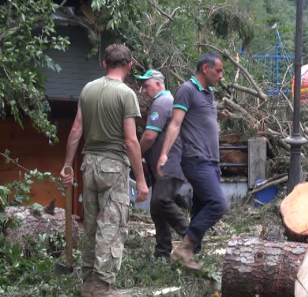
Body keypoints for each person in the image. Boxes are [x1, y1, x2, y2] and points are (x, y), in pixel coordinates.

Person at [60, 43, 148, 297]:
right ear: (129, 66)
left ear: (104, 64)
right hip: (113, 167)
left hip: (89, 166)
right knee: (112, 226)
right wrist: (140, 180)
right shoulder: (126, 94)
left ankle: (88, 283)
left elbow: (76, 130)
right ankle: (101, 287)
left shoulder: (88, 89)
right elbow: (131, 141)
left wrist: (68, 166)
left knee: (91, 225)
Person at [156, 52, 229, 271]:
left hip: (211, 161)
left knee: (200, 207)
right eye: (218, 70)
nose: (221, 75)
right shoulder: (187, 90)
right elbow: (175, 124)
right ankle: (185, 248)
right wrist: (163, 154)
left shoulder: (209, 93)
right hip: (196, 159)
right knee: (218, 204)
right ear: (205, 68)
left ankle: (189, 260)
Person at [136, 69, 188, 259]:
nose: (143, 90)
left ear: (158, 84)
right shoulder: (166, 102)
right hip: (163, 166)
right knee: (157, 210)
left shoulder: (161, 102)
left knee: (161, 201)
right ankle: (162, 253)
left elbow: (150, 136)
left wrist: (135, 155)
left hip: (170, 164)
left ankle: (191, 236)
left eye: (146, 85)